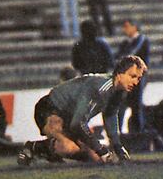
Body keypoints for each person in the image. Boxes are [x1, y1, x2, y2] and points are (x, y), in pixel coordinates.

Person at [17, 56, 147, 165]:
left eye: (138, 78)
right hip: (50, 109)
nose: (135, 82)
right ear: (119, 74)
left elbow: (110, 115)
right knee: (70, 148)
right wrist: (102, 150)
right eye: (133, 76)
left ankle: (50, 153)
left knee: (95, 159)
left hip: (69, 117)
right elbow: (77, 124)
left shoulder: (119, 91)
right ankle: (33, 147)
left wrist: (118, 146)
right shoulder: (100, 87)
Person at [116, 19, 150, 133]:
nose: (125, 30)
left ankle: (138, 133)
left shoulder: (142, 41)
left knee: (136, 106)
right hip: (126, 78)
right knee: (122, 105)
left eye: (127, 26)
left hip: (137, 78)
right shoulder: (125, 43)